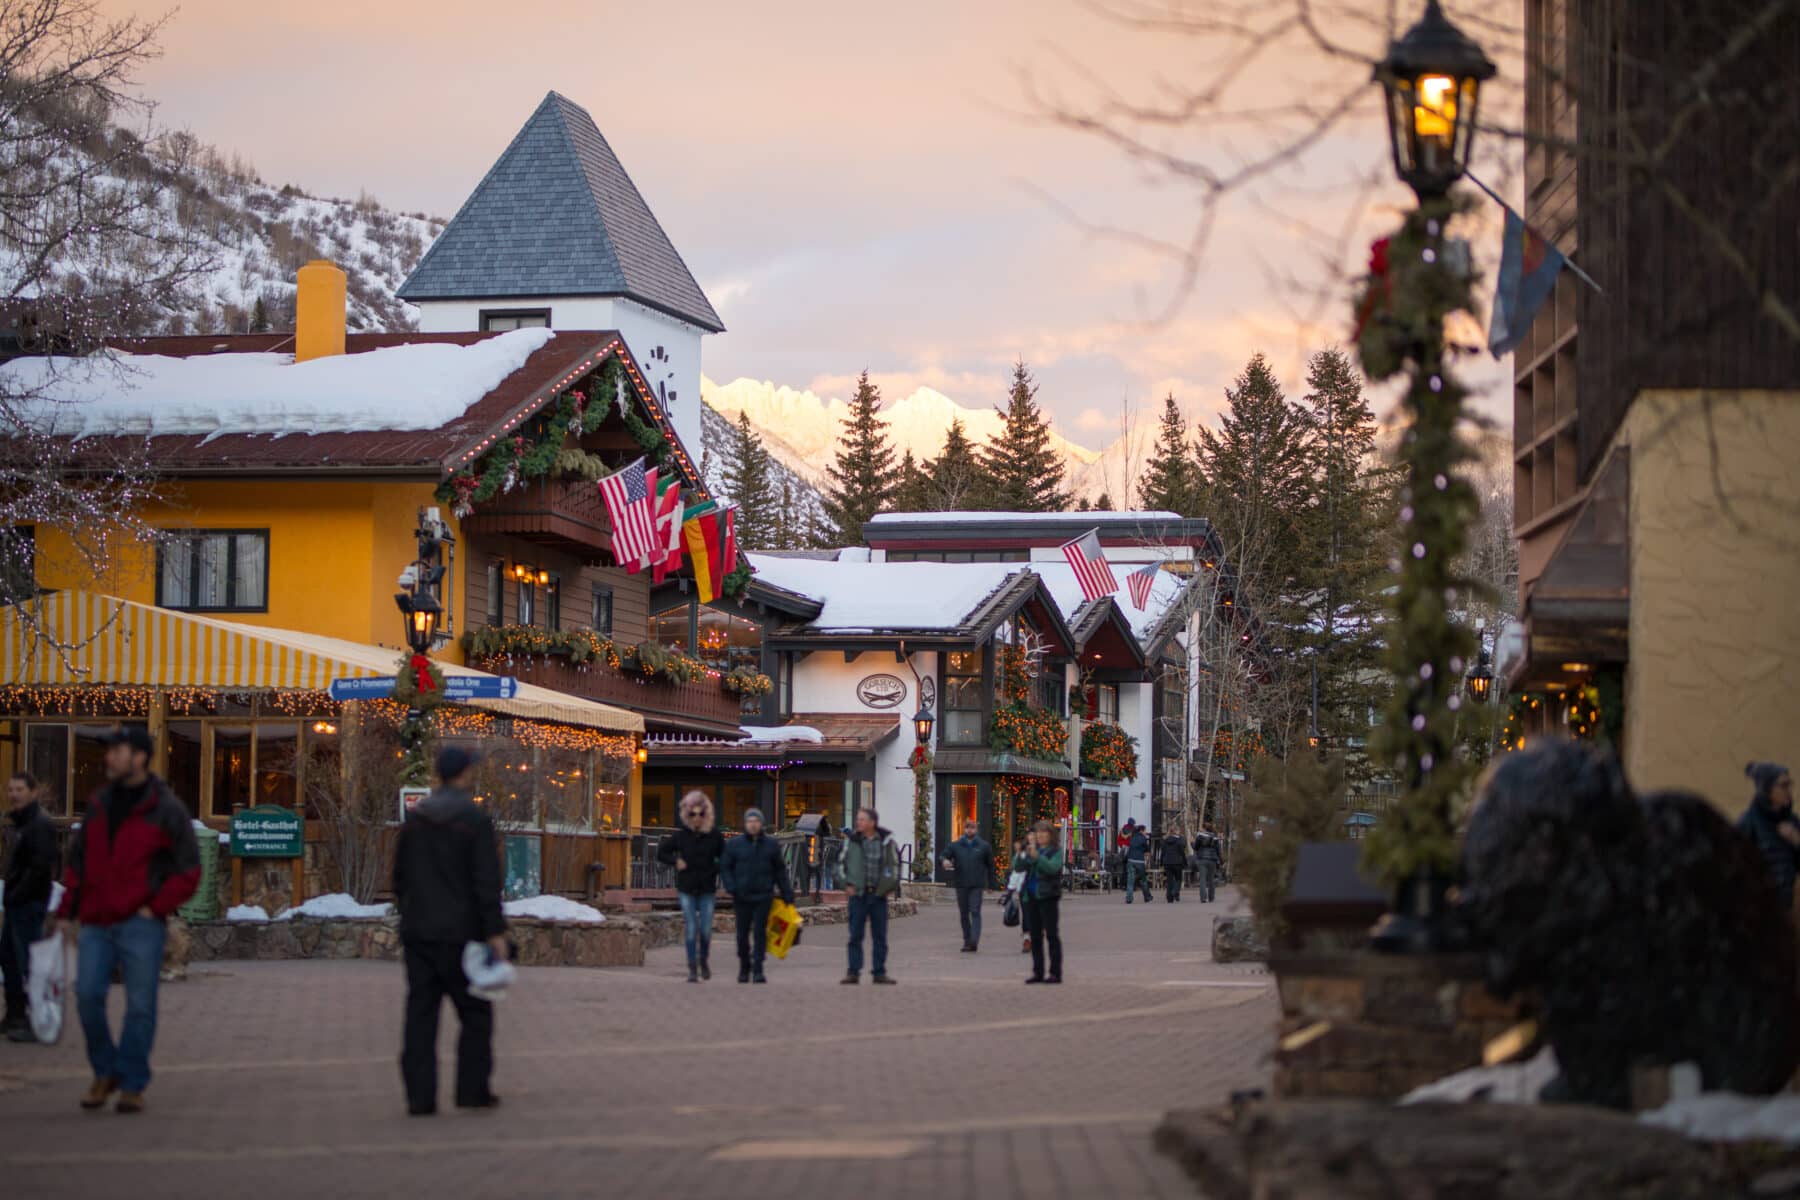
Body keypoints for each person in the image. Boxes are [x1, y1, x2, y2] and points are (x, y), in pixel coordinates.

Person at [49, 726, 199, 1114]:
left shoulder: (166, 809)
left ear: (140, 757)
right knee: (87, 997)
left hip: (140, 923)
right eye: (110, 751)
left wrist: (156, 907)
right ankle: (105, 1071)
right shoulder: (99, 804)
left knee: (140, 1006)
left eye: (118, 751)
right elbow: (77, 864)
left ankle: (132, 1082)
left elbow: (189, 870)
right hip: (96, 922)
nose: (109, 758)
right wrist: (67, 911)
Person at [393, 746, 507, 1116]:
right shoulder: (474, 820)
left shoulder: (416, 819)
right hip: (463, 934)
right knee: (475, 1014)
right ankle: (472, 1090)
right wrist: (495, 931)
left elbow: (400, 877)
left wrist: (409, 913)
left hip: (420, 932)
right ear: (464, 774)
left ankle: (419, 1097)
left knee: (420, 1015)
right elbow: (486, 881)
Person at [2, 772, 59, 1042]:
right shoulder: (21, 824)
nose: (14, 794)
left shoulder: (39, 825)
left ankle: (40, 1020)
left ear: (33, 792)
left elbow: (41, 866)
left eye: (20, 789)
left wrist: (20, 893)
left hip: (29, 903)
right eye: (11, 789)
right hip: (16, 903)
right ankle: (15, 1014)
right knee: (10, 959)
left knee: (31, 964)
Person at [658, 792, 726, 982]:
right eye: (693, 814)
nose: (697, 818)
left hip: (707, 888)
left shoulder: (714, 836)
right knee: (690, 929)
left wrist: (715, 868)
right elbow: (661, 852)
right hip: (686, 887)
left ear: (707, 815)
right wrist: (675, 861)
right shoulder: (681, 836)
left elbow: (727, 857)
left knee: (704, 929)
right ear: (687, 815)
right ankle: (692, 968)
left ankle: (703, 960)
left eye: (701, 814)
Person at [719, 808, 793, 984]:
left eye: (756, 821)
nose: (753, 824)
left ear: (761, 823)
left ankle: (758, 969)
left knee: (760, 933)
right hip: (742, 895)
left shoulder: (771, 845)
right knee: (742, 934)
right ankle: (744, 966)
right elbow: (726, 867)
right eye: (749, 821)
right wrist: (731, 886)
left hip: (763, 895)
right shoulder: (735, 845)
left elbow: (779, 871)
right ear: (745, 824)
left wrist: (787, 893)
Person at [838, 807, 900, 985]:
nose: (859, 823)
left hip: (878, 896)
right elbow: (839, 865)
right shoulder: (852, 842)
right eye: (858, 819)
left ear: (872, 823)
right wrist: (846, 885)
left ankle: (879, 972)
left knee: (880, 936)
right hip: (858, 895)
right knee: (855, 935)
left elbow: (894, 867)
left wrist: (889, 886)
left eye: (862, 819)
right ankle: (853, 972)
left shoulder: (887, 842)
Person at [1738, 762, 1799, 910]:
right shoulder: (1749, 822)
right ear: (1767, 790)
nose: (1788, 790)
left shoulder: (1791, 821)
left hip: (1788, 907)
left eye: (1789, 784)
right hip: (1762, 908)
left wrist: (1797, 840)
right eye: (1783, 786)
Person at [1015, 819, 1064, 984]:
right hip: (1031, 897)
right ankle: (1038, 971)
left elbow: (1052, 868)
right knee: (1035, 936)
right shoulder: (1031, 850)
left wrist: (1037, 858)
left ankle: (1055, 972)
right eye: (1038, 833)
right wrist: (1020, 853)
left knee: (1051, 935)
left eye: (1044, 832)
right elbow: (1018, 867)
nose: (1040, 835)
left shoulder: (1055, 851)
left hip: (1048, 896)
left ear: (1051, 835)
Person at [941, 818, 995, 952]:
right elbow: (943, 855)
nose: (969, 830)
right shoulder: (955, 845)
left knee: (975, 911)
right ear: (964, 829)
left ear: (976, 829)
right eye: (967, 827)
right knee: (964, 913)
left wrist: (991, 884)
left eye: (972, 827)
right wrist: (944, 861)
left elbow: (990, 866)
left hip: (977, 884)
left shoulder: (984, 846)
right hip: (961, 884)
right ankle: (967, 941)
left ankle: (974, 940)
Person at [1193, 826, 1224, 903]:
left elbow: (1195, 848)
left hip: (1202, 859)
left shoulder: (1199, 837)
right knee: (1211, 879)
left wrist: (1192, 843)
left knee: (1202, 879)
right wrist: (1221, 860)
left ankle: (1203, 897)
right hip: (1212, 860)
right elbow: (1218, 851)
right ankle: (1211, 897)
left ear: (1204, 829)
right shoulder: (1215, 838)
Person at [1124, 822, 1152, 904]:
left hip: (1130, 860)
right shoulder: (1143, 839)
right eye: (1145, 831)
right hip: (1139, 861)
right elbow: (1147, 849)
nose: (1145, 832)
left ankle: (1129, 898)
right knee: (1143, 880)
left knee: (1130, 880)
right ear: (1142, 831)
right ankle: (1147, 897)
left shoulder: (1132, 837)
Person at [1159, 828, 1188, 903]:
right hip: (1177, 862)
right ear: (1176, 832)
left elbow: (1163, 852)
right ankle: (1175, 892)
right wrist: (1185, 862)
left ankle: (1169, 898)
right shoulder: (1179, 841)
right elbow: (1182, 852)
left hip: (1167, 863)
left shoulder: (1165, 841)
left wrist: (1161, 862)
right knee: (1178, 879)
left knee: (1169, 880)